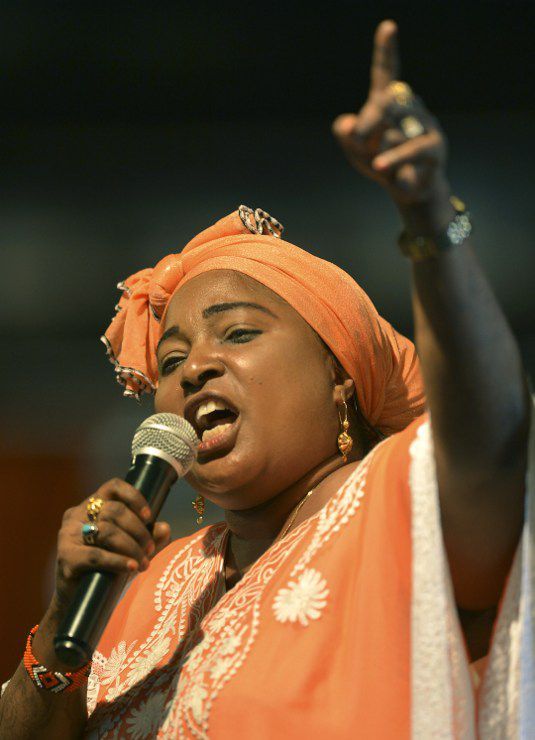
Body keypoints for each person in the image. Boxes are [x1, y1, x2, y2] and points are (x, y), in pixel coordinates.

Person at [1, 19, 533, 739]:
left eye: (240, 332)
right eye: (170, 360)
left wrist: (429, 216)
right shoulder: (145, 586)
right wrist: (66, 623)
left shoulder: (409, 504)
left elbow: (492, 426)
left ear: (339, 376)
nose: (195, 369)